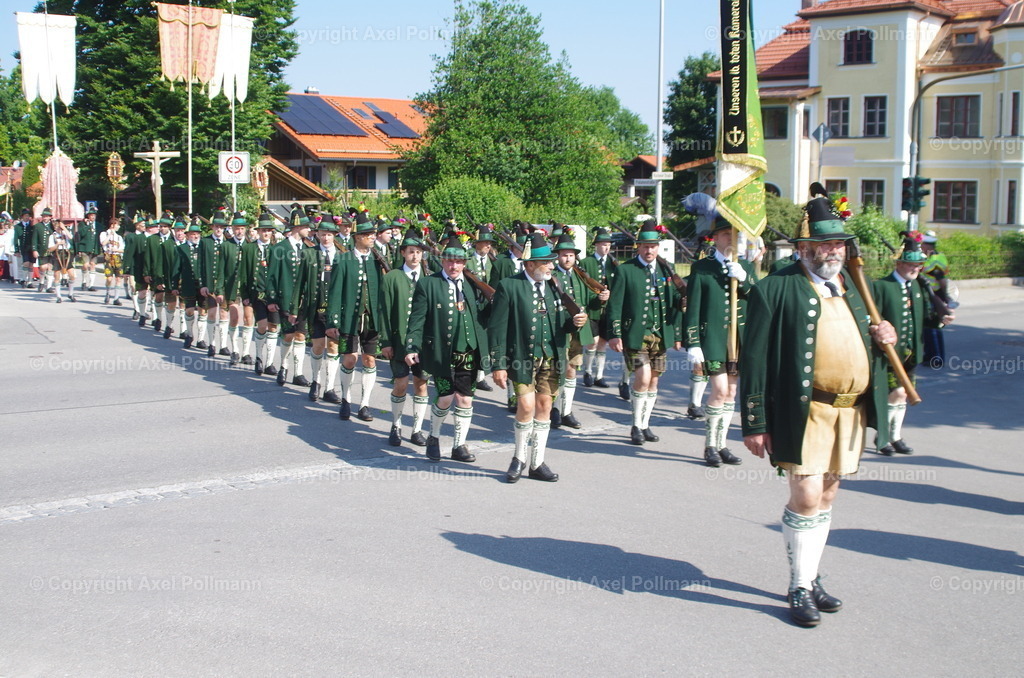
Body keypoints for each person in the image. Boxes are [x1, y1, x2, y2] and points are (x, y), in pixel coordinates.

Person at [740, 191, 897, 628]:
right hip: (803, 411)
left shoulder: (854, 288)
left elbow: (867, 347)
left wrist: (885, 338)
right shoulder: (775, 288)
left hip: (849, 413)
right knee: (806, 495)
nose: (835, 251)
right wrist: (754, 422)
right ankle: (798, 586)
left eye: (840, 244)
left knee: (827, 495)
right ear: (805, 249)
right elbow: (754, 360)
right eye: (826, 245)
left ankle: (811, 576)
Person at [489, 233, 589, 483]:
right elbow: (497, 328)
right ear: (530, 264)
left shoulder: (556, 286)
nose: (552, 265)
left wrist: (574, 323)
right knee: (526, 406)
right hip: (521, 357)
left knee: (545, 406)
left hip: (552, 357)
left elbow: (561, 325)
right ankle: (519, 458)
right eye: (547, 261)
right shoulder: (509, 286)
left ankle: (537, 462)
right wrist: (498, 364)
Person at [404, 235, 490, 462]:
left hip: (469, 351)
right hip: (442, 352)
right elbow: (417, 319)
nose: (454, 266)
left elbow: (482, 315)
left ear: (464, 263)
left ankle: (459, 445)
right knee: (445, 397)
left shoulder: (472, 284)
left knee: (465, 399)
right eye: (450, 261)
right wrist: (412, 346)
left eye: (459, 262)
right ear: (442, 261)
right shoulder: (428, 284)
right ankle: (433, 436)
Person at [873, 231, 955, 456]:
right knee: (896, 394)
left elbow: (925, 319)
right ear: (899, 263)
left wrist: (941, 320)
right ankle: (884, 436)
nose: (916, 268)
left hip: (912, 353)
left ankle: (895, 436)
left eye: (919, 265)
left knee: (903, 395)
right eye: (911, 264)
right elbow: (872, 321)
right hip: (889, 354)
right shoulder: (881, 287)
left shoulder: (919, 287)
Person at [684, 217, 756, 466]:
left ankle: (723, 444)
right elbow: (693, 308)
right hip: (713, 340)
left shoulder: (746, 265)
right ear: (714, 239)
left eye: (734, 235)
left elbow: (758, 299)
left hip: (738, 341)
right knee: (720, 390)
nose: (730, 240)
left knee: (732, 393)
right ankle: (710, 446)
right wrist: (693, 343)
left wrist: (744, 279)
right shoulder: (702, 268)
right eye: (725, 235)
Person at [606, 219, 684, 446]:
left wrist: (677, 332)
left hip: (660, 335)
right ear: (638, 247)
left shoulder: (667, 269)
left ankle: (645, 423)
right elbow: (615, 305)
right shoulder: (626, 270)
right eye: (645, 246)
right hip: (635, 334)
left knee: (654, 382)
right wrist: (615, 333)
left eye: (653, 246)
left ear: (658, 247)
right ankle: (636, 426)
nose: (649, 250)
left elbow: (675, 303)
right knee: (643, 376)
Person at [380, 227, 432, 447]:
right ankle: (396, 425)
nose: (415, 256)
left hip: (423, 344)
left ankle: (417, 429)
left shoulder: (430, 279)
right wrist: (386, 342)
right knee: (401, 384)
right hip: (399, 342)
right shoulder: (392, 277)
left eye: (419, 252)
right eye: (411, 251)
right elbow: (384, 311)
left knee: (421, 383)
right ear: (403, 252)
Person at [332, 210, 385, 421]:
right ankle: (345, 399)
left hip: (372, 319)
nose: (373, 236)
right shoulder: (343, 260)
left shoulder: (378, 260)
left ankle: (364, 404)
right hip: (348, 320)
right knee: (349, 359)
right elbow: (335, 292)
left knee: (370, 360)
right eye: (368, 234)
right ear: (357, 237)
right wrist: (333, 320)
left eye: (373, 234)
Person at [550, 232, 607, 429]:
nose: (568, 259)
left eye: (571, 255)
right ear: (557, 256)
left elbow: (587, 302)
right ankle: (555, 409)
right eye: (564, 255)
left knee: (572, 369)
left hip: (578, 331)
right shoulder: (552, 276)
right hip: (559, 330)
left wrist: (600, 299)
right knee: (559, 370)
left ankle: (567, 411)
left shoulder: (579, 275)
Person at [267, 208, 313, 386]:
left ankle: (298, 373)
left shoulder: (308, 249)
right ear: (297, 227)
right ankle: (284, 366)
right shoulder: (279, 248)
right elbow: (272, 276)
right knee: (288, 335)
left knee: (301, 335)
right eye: (306, 226)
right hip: (286, 299)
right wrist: (271, 300)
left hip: (303, 301)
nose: (309, 230)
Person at [239, 212, 282, 376]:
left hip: (273, 295)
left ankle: (270, 362)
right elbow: (243, 273)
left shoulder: (276, 249)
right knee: (262, 325)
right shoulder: (249, 248)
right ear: (257, 231)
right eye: (263, 230)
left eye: (268, 231)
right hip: (257, 294)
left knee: (273, 327)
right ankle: (259, 357)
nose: (266, 233)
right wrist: (245, 295)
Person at [579, 227, 618, 389]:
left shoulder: (613, 264)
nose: (606, 247)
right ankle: (587, 371)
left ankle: (599, 375)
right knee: (592, 343)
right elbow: (583, 285)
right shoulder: (586, 263)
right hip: (592, 308)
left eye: (608, 244)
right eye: (603, 244)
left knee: (603, 343)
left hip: (607, 310)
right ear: (596, 245)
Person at [172, 221, 208, 349]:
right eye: (193, 234)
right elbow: (176, 269)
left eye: (197, 234)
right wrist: (174, 286)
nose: (196, 236)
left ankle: (201, 339)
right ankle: (189, 334)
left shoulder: (203, 248)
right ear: (187, 235)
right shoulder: (181, 249)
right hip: (188, 285)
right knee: (189, 310)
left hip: (202, 285)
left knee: (203, 311)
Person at [920, 231, 952, 367]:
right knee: (933, 328)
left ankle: (935, 359)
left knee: (931, 328)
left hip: (934, 297)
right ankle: (933, 357)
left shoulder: (935, 260)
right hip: (931, 296)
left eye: (922, 244)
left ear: (928, 246)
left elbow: (941, 280)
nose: (920, 246)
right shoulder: (933, 257)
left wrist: (945, 299)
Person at [46, 220, 77, 303]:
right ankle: (58, 296)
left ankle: (71, 293)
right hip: (57, 254)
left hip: (66, 253)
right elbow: (50, 249)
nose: (59, 229)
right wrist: (58, 244)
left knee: (72, 275)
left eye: (60, 227)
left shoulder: (65, 234)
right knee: (57, 276)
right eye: (57, 227)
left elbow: (71, 237)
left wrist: (64, 228)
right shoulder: (52, 236)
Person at [73, 208, 101, 292]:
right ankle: (84, 281)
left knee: (92, 265)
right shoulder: (82, 224)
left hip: (94, 248)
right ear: (88, 216)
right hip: (84, 247)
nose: (92, 217)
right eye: (91, 215)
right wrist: (88, 225)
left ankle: (91, 285)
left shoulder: (99, 225)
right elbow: (81, 234)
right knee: (85, 265)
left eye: (94, 215)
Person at [100, 218, 126, 305]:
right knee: (109, 278)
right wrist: (109, 236)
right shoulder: (104, 234)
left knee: (118, 278)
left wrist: (117, 250)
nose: (118, 226)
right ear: (112, 225)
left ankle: (116, 298)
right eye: (117, 225)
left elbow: (123, 249)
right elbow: (103, 243)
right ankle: (108, 293)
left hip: (117, 258)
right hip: (108, 257)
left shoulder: (119, 237)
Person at [32, 207, 55, 294]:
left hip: (52, 250)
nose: (45, 218)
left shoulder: (53, 226)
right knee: (42, 267)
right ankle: (41, 282)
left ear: (50, 217)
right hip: (42, 250)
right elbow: (34, 239)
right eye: (44, 216)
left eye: (47, 216)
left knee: (50, 267)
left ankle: (49, 286)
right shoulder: (38, 226)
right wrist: (34, 250)